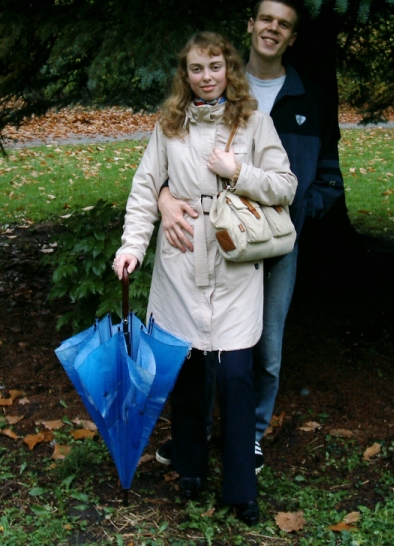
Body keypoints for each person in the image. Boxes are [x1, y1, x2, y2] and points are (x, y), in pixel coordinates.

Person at [113, 31, 297, 525]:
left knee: (236, 375)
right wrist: (132, 247)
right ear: (186, 74)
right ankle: (190, 470)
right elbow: (145, 188)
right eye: (197, 68)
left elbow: (285, 186)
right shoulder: (169, 125)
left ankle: (241, 488)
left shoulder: (254, 122)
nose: (206, 76)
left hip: (235, 263)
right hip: (181, 260)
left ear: (229, 69)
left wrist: (237, 171)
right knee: (189, 370)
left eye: (215, 66)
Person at [156, 0, 344, 472]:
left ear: (292, 37)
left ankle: (250, 436)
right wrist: (163, 197)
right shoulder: (217, 80)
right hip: (215, 240)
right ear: (251, 25)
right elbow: (173, 159)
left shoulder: (309, 98)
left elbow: (326, 176)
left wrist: (296, 216)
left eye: (283, 24)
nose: (272, 29)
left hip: (274, 242)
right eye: (265, 19)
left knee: (265, 346)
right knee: (205, 335)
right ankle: (198, 432)